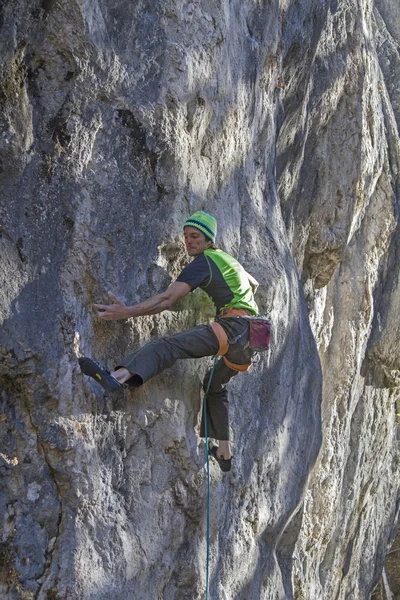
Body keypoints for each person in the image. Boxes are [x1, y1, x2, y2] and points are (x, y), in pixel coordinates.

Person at [79, 211, 260, 472]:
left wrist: (128, 311)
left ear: (209, 239)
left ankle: (116, 378)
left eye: (195, 236)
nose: (189, 242)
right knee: (213, 384)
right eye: (186, 237)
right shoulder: (230, 262)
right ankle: (224, 450)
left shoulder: (206, 261)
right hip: (253, 337)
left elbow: (167, 300)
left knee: (167, 346)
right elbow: (254, 284)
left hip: (233, 329)